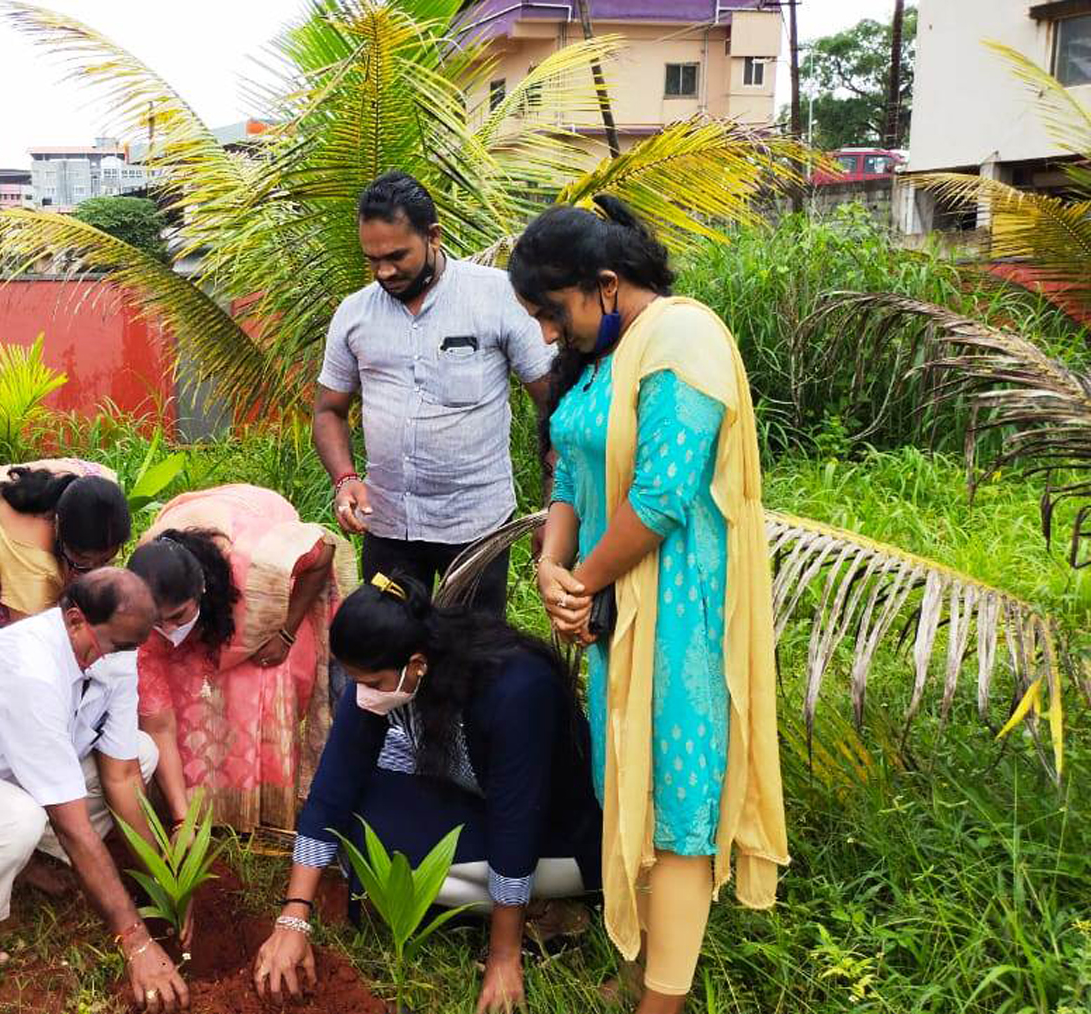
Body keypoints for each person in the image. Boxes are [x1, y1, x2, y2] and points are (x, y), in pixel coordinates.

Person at [510, 196, 788, 1013]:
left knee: (677, 797)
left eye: (552, 313)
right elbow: (570, 467)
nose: (548, 334)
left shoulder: (681, 339)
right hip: (614, 605)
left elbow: (663, 496)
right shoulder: (605, 353)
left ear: (604, 284)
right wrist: (553, 567)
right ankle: (643, 964)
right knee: (625, 780)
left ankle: (661, 1000)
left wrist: (582, 582)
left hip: (679, 614)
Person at [252, 573, 602, 1013]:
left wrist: (503, 955)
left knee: (395, 868)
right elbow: (333, 788)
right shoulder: (388, 669)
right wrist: (293, 916)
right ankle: (497, 901)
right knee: (354, 832)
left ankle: (540, 909)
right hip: (484, 806)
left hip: (560, 836)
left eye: (372, 683)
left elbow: (517, 824)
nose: (363, 694)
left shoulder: (515, 690)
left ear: (416, 664)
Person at [0, 568, 191, 1014]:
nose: (121, 658)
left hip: (13, 770)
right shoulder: (30, 670)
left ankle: (25, 858)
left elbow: (124, 775)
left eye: (131, 647)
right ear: (75, 621)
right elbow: (73, 828)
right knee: (18, 821)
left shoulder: (116, 649)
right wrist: (135, 940)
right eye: (116, 645)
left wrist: (164, 884)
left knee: (142, 752)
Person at [313, 171, 555, 615]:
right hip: (388, 526)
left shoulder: (498, 297)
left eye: (396, 256)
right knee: (389, 647)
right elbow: (329, 411)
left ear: (433, 236)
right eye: (372, 259)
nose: (384, 271)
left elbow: (554, 405)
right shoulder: (354, 314)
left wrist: (553, 507)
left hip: (477, 525)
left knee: (472, 646)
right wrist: (345, 479)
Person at [126, 483, 357, 833]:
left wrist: (286, 632)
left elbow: (323, 550)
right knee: (184, 688)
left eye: (177, 616)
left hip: (253, 530)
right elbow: (159, 724)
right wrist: (181, 821)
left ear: (202, 589)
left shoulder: (257, 563)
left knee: (256, 678)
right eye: (156, 621)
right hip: (199, 535)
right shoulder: (140, 609)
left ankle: (256, 805)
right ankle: (193, 804)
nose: (167, 630)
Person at [0, 457, 130, 673]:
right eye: (83, 563)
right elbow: (32, 649)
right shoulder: (33, 564)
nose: (96, 572)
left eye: (106, 560)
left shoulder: (104, 492)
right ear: (58, 530)